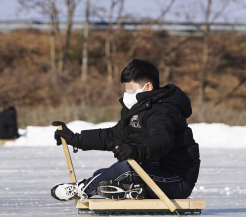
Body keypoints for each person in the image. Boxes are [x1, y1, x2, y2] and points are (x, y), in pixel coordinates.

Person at [50, 59, 200, 202]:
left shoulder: (162, 111)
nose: (126, 94)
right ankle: (134, 190)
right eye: (126, 90)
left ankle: (81, 189)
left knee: (126, 169)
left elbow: (161, 140)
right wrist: (76, 139)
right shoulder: (137, 111)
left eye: (131, 89)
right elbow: (113, 136)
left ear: (147, 87)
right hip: (155, 174)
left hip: (177, 180)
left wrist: (136, 150)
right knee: (103, 174)